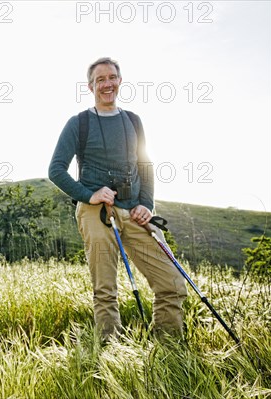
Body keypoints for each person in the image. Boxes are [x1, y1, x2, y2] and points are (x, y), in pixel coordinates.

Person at [48, 57, 187, 340]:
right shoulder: (79, 123)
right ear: (90, 86)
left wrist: (146, 205)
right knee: (106, 289)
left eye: (111, 77)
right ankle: (111, 356)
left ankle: (170, 353)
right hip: (96, 212)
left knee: (172, 284)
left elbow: (145, 166)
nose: (107, 84)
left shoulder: (133, 121)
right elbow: (55, 170)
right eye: (100, 80)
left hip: (134, 212)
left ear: (120, 81)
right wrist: (90, 194)